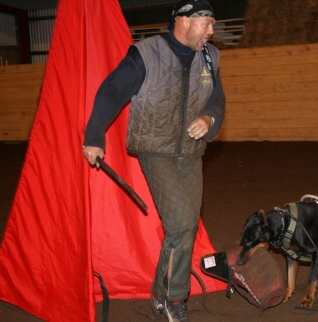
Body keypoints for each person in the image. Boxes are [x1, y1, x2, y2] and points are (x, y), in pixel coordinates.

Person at [82, 1, 225, 321]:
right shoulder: (146, 54)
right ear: (184, 22)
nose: (212, 32)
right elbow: (110, 91)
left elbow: (218, 99)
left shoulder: (209, 56)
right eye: (207, 24)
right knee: (182, 223)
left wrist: (209, 119)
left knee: (183, 229)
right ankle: (175, 299)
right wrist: (94, 136)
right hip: (155, 151)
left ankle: (160, 296)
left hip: (191, 153)